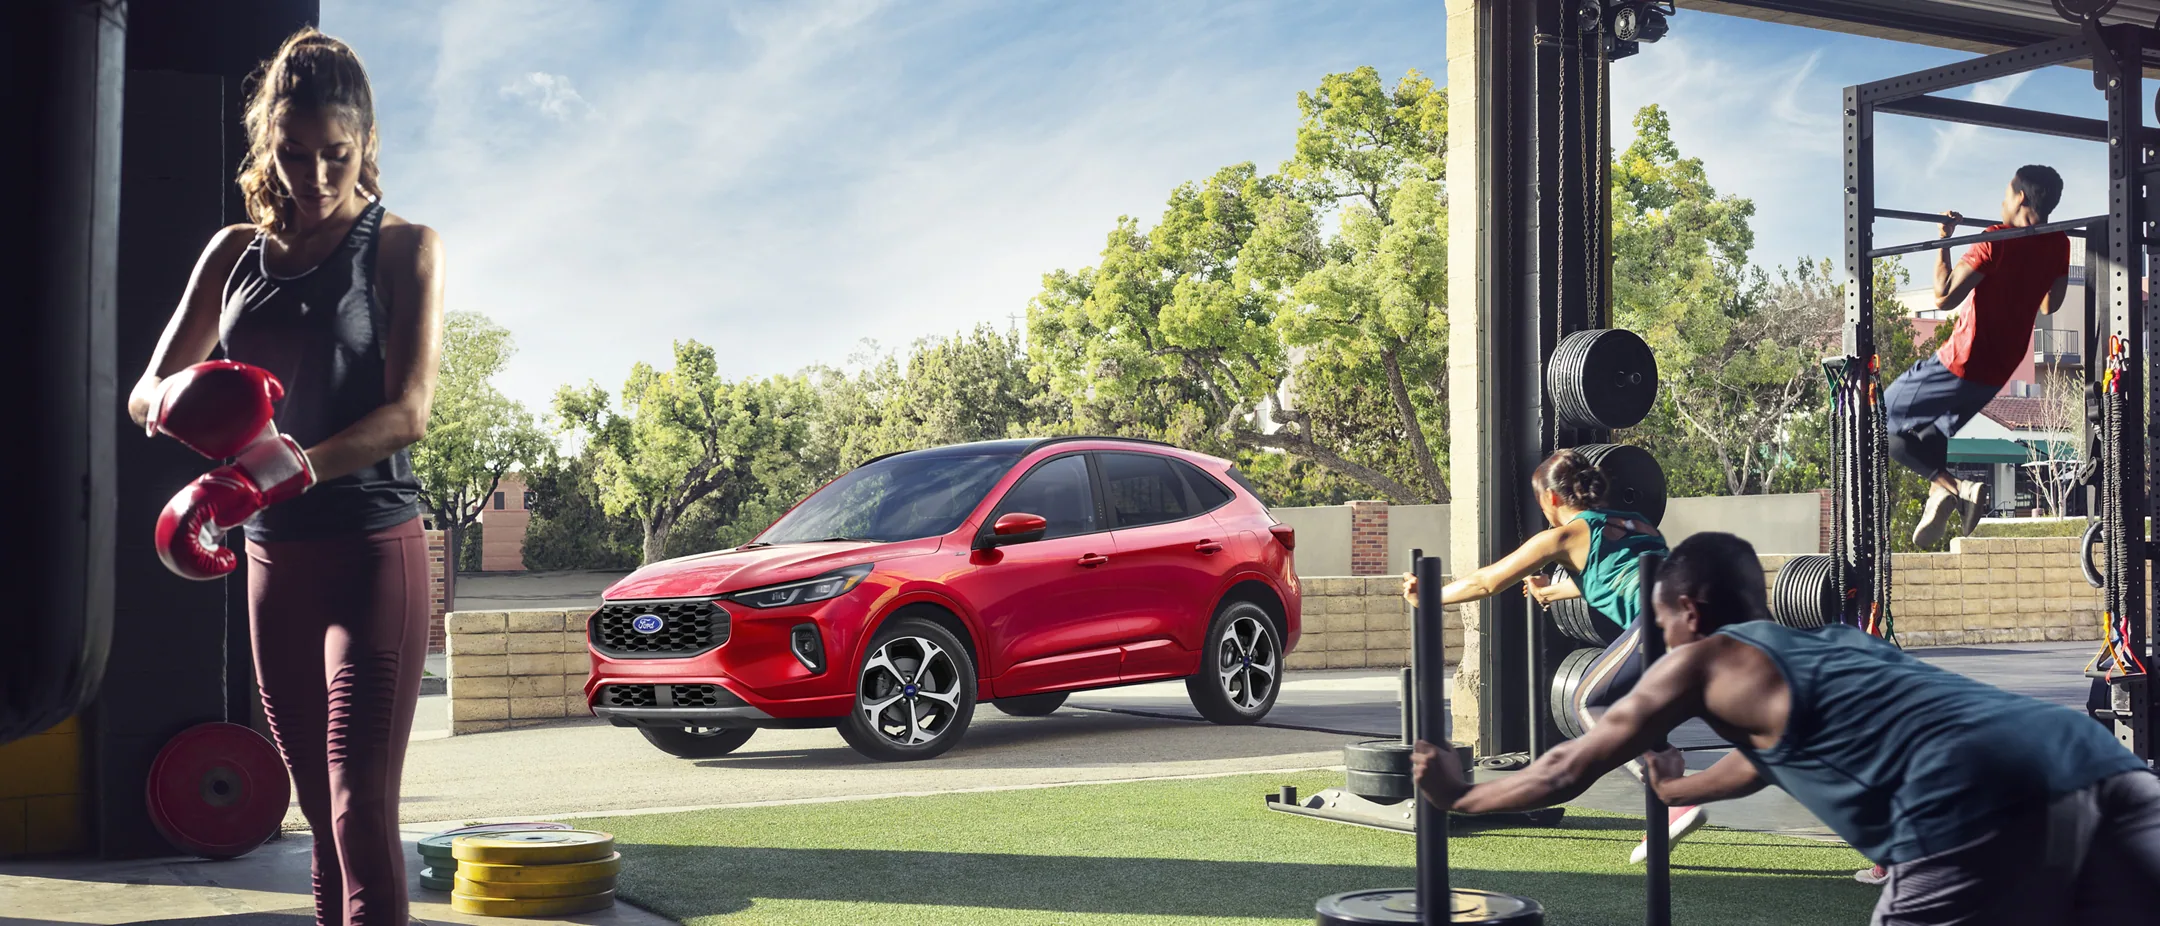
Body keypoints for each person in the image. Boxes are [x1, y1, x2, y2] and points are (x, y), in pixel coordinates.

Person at [1410, 532, 2160, 925]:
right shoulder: (1830, 646)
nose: (1662, 645)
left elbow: (1565, 770)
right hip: (2097, 764)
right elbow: (1768, 760)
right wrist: (1685, 784)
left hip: (1964, 801)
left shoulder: (1700, 658)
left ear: (1691, 613)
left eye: (1663, 626)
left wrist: (1458, 794)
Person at [127, 28, 444, 926]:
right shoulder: (234, 254)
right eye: (295, 155)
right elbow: (146, 392)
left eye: (336, 156)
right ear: (270, 145)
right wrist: (193, 410)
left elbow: (406, 415)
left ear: (366, 143)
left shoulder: (404, 247)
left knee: (357, 806)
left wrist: (268, 471)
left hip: (371, 549)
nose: (314, 177)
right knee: (313, 813)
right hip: (272, 558)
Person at [1399, 448, 1705, 862]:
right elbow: (1614, 578)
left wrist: (1428, 595)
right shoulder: (1637, 523)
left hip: (1659, 620)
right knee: (1639, 712)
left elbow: (1488, 581)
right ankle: (1665, 816)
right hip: (1698, 621)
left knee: (1588, 700)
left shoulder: (1562, 535)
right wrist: (1551, 591)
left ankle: (1672, 789)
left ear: (1552, 499)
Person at [1888, 165, 2071, 548]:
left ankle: (1955, 488)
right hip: (1998, 369)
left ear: (2020, 196)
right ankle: (1940, 492)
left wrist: (1943, 239)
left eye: (2006, 194)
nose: (2001, 202)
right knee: (1927, 433)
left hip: (1962, 359)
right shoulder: (2059, 243)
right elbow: (2051, 304)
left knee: (1874, 419)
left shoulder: (1996, 240)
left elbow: (1943, 297)